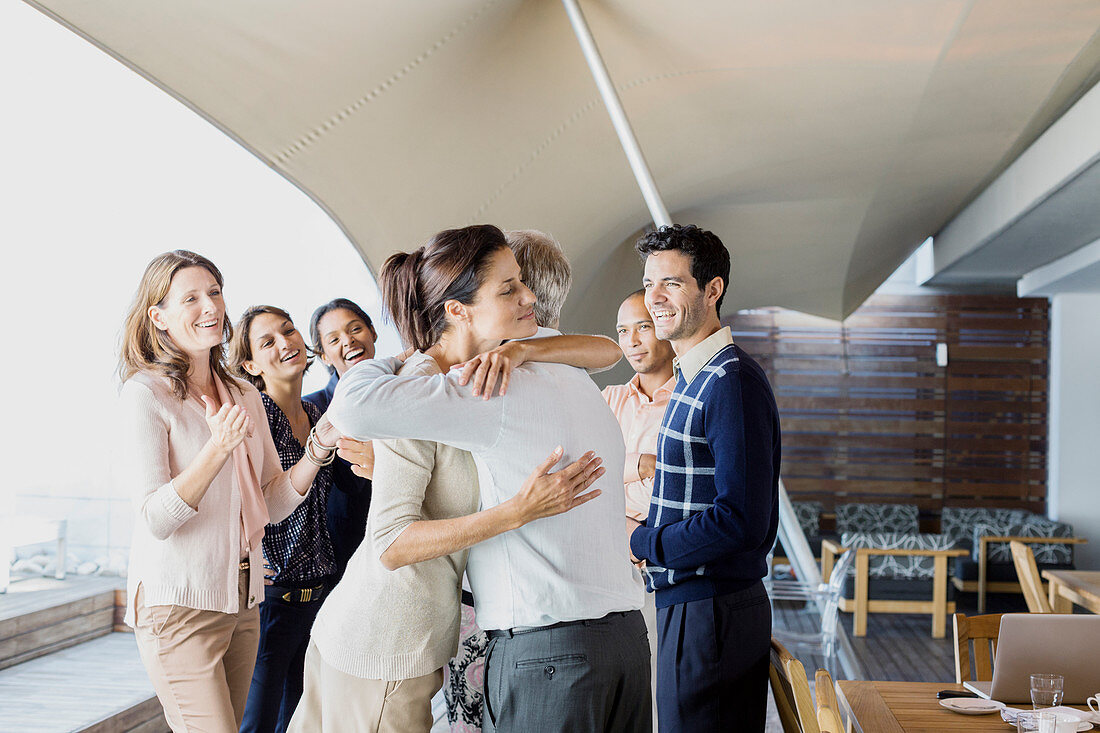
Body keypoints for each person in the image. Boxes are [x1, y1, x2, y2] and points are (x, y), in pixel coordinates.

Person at [327, 224, 651, 733]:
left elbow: (352, 406)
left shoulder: (479, 386)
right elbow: (606, 349)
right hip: (627, 641)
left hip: (549, 650)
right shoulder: (566, 363)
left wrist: (410, 355)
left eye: (521, 283)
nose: (527, 299)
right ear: (458, 309)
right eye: (509, 288)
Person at [116, 250, 339, 733]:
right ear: (159, 316)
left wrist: (317, 451)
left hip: (243, 603)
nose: (210, 306)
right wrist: (217, 449)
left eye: (214, 292)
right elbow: (156, 517)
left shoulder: (242, 392)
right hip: (178, 609)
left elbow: (272, 501)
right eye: (191, 298)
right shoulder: (146, 394)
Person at [627, 224, 781, 733]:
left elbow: (741, 520)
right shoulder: (697, 375)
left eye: (671, 283)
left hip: (712, 610)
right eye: (649, 284)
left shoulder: (729, 381)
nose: (654, 299)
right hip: (692, 604)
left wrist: (646, 541)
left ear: (711, 290)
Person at [229, 306, 337, 733]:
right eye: (267, 341)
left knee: (300, 723)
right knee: (255, 724)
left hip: (318, 598)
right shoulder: (258, 418)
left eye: (288, 331)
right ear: (250, 365)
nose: (285, 342)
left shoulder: (317, 416)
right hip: (273, 602)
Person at [601, 288, 676, 723]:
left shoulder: (688, 397)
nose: (631, 341)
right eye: (622, 331)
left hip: (663, 564)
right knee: (621, 699)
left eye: (643, 327)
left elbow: (683, 485)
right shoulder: (608, 399)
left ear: (664, 326)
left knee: (661, 697)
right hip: (610, 564)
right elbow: (585, 471)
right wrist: (642, 465)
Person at [304, 298, 377, 577]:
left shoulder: (405, 388)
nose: (348, 341)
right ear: (324, 355)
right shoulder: (312, 409)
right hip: (345, 559)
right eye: (334, 339)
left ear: (372, 332)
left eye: (355, 329)